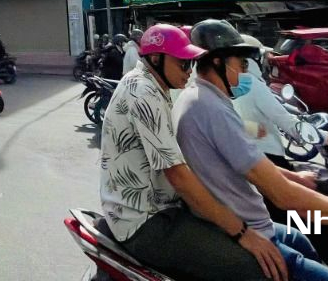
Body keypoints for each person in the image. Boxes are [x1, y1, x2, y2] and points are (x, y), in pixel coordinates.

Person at [174, 20, 328, 281]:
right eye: (242, 63)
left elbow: (248, 158)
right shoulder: (212, 108)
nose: (245, 71)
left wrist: (295, 177)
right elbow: (284, 194)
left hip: (249, 216)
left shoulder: (201, 98)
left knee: (302, 241)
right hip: (247, 228)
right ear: (218, 62)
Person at [100, 23, 288, 281]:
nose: (189, 71)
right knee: (254, 266)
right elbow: (179, 175)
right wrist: (242, 233)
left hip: (162, 209)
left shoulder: (156, 86)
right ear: (155, 59)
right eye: (182, 64)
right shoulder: (143, 92)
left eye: (190, 63)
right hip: (147, 221)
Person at [233, 34, 328, 165]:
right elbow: (288, 123)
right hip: (267, 156)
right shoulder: (254, 85)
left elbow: (234, 122)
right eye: (263, 57)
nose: (267, 61)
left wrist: (255, 129)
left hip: (247, 153)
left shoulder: (234, 85)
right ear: (253, 59)